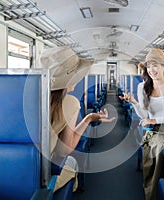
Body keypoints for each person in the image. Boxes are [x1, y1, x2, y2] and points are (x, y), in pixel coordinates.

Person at [39, 46, 115, 192]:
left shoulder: (21, 98)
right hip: (39, 181)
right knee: (71, 161)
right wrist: (88, 119)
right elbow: (63, 150)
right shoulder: (69, 103)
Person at [120, 48, 164, 200]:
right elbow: (145, 115)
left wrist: (154, 120)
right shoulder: (142, 87)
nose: (152, 70)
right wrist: (134, 103)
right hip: (157, 130)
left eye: (155, 65)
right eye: (149, 66)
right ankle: (158, 191)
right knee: (158, 147)